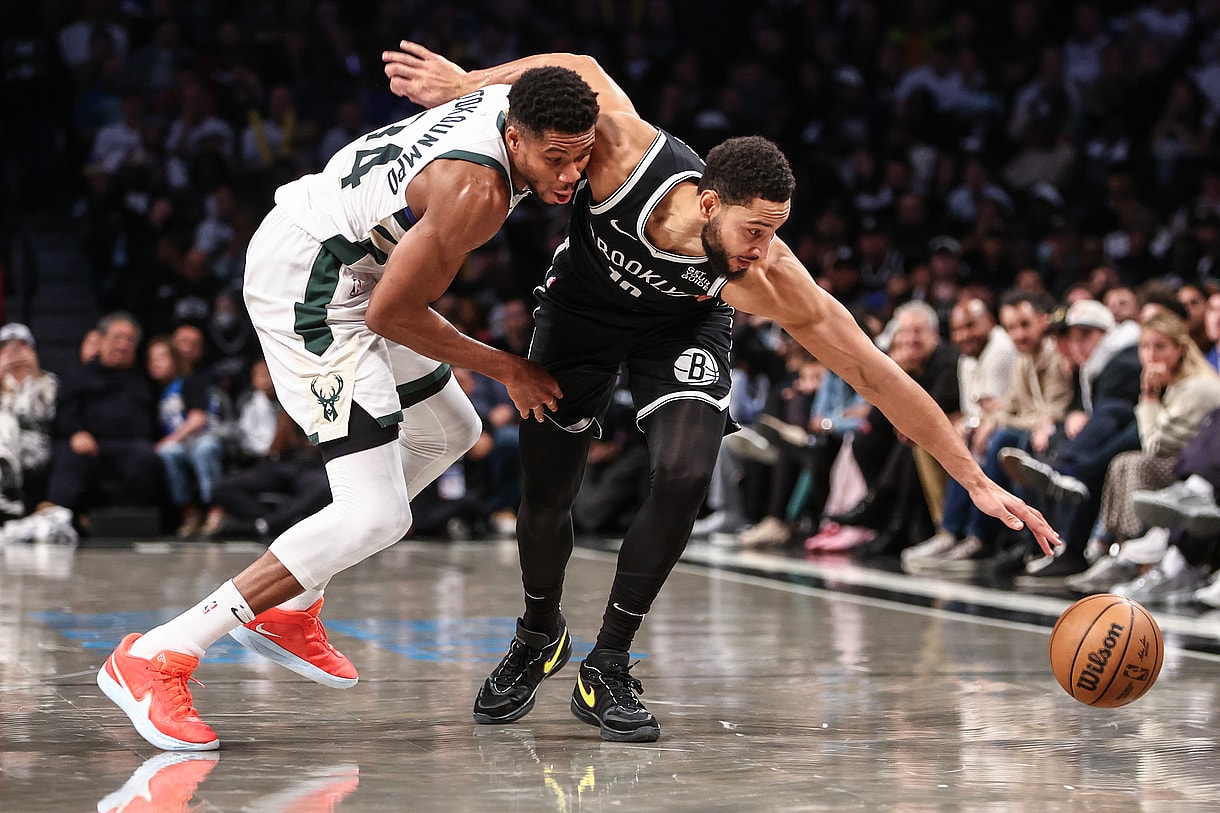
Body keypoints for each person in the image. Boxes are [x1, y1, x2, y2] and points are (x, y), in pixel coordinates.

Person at [384, 44, 1058, 743]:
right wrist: (467, 83)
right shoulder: (624, 153)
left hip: (684, 323)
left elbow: (875, 373)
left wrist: (975, 480)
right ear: (708, 203)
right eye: (756, 231)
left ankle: (607, 662)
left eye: (777, 232)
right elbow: (578, 65)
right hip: (583, 309)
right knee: (547, 493)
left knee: (683, 471)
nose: (764, 250)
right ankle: (537, 632)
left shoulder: (762, 276)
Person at [96, 67, 600, 751]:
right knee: (377, 514)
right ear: (514, 135)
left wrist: (467, 77)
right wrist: (510, 367)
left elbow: (576, 67)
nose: (571, 174)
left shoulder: (505, 100)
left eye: (581, 155)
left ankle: (291, 606)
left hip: (344, 257)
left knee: (452, 429)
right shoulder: (475, 190)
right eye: (554, 158)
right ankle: (160, 651)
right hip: (313, 281)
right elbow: (394, 312)